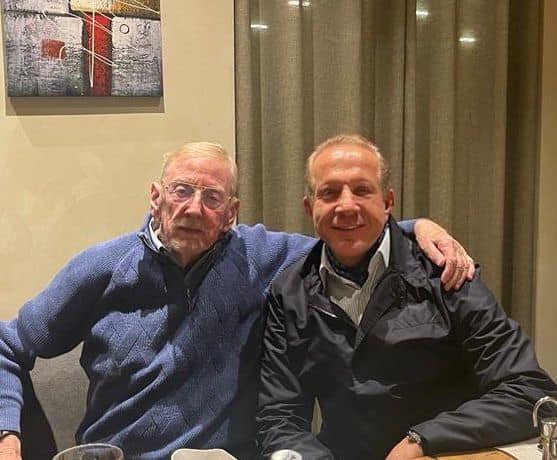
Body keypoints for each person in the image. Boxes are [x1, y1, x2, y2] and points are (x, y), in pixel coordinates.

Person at [0, 142, 473, 460]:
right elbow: (9, 345)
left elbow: (347, 237)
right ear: (155, 197)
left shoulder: (261, 256)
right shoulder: (101, 267)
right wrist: (7, 435)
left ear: (231, 213)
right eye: (181, 191)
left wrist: (414, 228)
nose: (193, 208)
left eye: (212, 198)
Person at [256, 134, 557, 460]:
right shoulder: (288, 292)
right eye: (329, 193)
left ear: (387, 202)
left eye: (362, 190)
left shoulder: (445, 274)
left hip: (440, 455)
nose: (346, 205)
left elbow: (530, 392)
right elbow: (279, 416)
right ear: (309, 207)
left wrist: (423, 440)